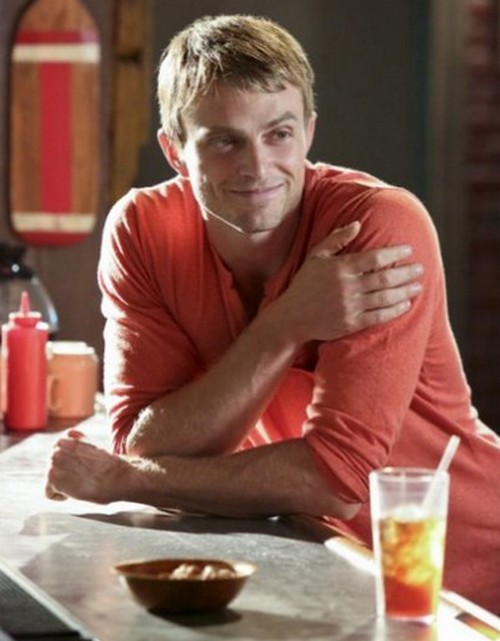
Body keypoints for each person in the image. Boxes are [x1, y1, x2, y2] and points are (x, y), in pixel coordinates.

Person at [46, 14, 500, 612]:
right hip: (335, 574)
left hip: (467, 582)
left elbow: (335, 479)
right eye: (224, 141)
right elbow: (143, 440)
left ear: (309, 131)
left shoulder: (380, 226)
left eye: (278, 134)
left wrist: (125, 481)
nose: (257, 168)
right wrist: (287, 324)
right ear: (175, 151)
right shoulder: (143, 230)